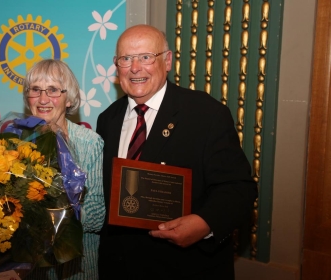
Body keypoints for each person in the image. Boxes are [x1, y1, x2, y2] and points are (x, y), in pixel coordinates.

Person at [96, 24, 258, 280]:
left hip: (186, 267)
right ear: (117, 66)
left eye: (146, 57)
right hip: (120, 266)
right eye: (126, 59)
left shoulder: (207, 114)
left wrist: (205, 224)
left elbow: (239, 188)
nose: (135, 68)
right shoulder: (108, 119)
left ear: (168, 60)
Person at [24, 59, 105, 279]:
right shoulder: (16, 144)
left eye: (52, 90)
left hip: (76, 269)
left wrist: (51, 216)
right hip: (31, 270)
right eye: (36, 90)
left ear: (68, 99)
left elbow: (97, 216)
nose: (43, 99)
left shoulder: (89, 143)